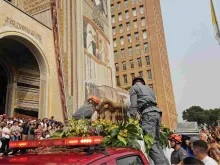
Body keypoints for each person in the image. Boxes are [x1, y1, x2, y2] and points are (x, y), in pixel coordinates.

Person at [129, 76, 169, 165]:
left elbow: (134, 106)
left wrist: (132, 121)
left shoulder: (134, 88)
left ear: (134, 83)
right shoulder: (150, 89)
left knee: (150, 144)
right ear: (142, 82)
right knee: (156, 143)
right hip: (157, 114)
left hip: (148, 115)